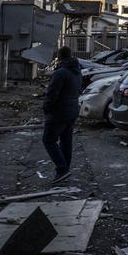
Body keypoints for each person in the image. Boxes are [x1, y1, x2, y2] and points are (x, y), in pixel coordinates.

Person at [42, 46, 81, 182]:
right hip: (72, 111)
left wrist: (46, 108)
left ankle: (62, 168)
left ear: (59, 57)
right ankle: (65, 169)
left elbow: (52, 94)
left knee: (48, 140)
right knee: (66, 141)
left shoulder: (61, 73)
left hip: (59, 112)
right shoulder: (77, 71)